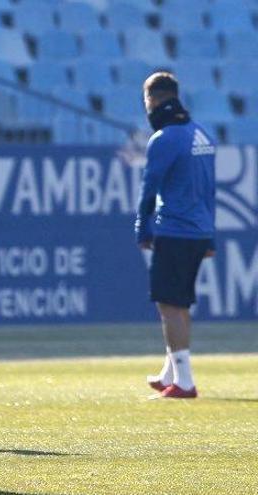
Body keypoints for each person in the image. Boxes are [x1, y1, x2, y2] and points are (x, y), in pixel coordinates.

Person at [136, 72, 216, 399]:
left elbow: (149, 187)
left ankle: (184, 381)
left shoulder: (165, 138)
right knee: (178, 303)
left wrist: (142, 224)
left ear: (152, 100)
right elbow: (210, 190)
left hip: (175, 229)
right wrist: (211, 236)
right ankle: (171, 371)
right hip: (198, 231)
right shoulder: (202, 134)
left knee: (169, 304)